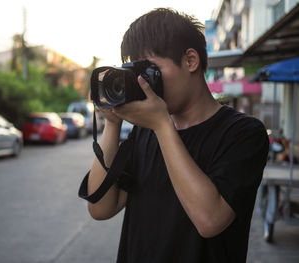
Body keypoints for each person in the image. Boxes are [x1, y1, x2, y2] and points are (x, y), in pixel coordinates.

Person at [79, 8, 269, 263]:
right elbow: (101, 208)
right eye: (135, 72)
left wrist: (161, 125)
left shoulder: (243, 133)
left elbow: (210, 220)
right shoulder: (145, 131)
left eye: (149, 70)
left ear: (190, 60)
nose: (141, 82)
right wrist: (112, 125)